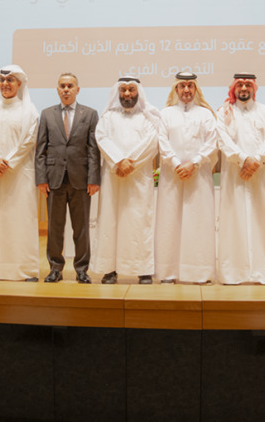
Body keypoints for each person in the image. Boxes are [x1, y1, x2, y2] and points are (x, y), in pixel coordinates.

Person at [93, 77, 160, 284]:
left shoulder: (148, 118)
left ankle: (143, 269)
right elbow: (102, 138)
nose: (127, 94)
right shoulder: (108, 117)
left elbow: (151, 142)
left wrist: (129, 163)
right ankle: (109, 270)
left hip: (139, 179)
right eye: (123, 90)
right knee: (110, 222)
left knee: (140, 222)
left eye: (131, 89)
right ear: (118, 93)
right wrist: (118, 161)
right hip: (114, 178)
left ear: (138, 92)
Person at [0, 65, 41, 281]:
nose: (5, 84)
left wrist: (7, 162)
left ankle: (24, 271)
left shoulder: (29, 110)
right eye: (2, 80)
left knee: (20, 222)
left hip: (19, 175)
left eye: (10, 80)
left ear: (19, 84)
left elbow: (29, 140)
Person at [35, 72, 100, 284]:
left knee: (81, 228)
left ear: (77, 89)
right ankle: (55, 268)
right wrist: (41, 179)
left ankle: (82, 269)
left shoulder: (89, 114)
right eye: (62, 85)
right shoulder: (46, 114)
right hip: (53, 180)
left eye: (70, 85)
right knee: (54, 228)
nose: (66, 89)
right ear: (57, 89)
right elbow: (40, 150)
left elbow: (93, 150)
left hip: (81, 179)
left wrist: (94, 178)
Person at [216, 73, 265, 285]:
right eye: (240, 85)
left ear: (254, 88)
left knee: (263, 220)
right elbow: (222, 139)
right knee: (234, 220)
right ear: (233, 88)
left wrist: (256, 162)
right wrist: (243, 159)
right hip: (235, 175)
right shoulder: (225, 112)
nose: (244, 88)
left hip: (260, 176)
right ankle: (234, 273)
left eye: (247, 85)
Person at [155, 72, 218, 284]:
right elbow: (162, 141)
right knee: (170, 222)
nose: (186, 90)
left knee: (198, 222)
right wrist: (176, 164)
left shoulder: (206, 115)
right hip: (172, 177)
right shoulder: (165, 114)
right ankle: (168, 272)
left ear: (196, 89)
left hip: (198, 176)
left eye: (190, 86)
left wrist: (194, 163)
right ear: (176, 89)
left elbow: (212, 142)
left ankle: (199, 272)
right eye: (182, 86)